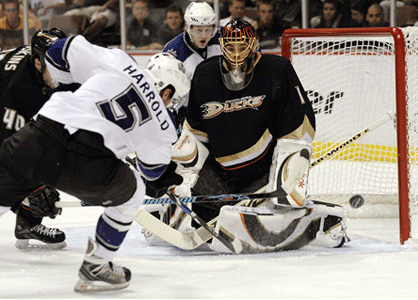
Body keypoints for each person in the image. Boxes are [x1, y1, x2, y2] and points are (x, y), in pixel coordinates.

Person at [143, 19, 349, 253]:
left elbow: (298, 126)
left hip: (262, 178)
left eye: (243, 46)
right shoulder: (205, 73)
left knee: (284, 204)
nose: (237, 54)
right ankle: (186, 213)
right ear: (221, 46)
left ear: (254, 44)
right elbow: (196, 134)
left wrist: (288, 179)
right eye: (231, 47)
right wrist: (179, 177)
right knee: (189, 189)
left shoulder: (277, 71)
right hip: (221, 177)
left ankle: (315, 219)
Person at [0, 34, 187, 291]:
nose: (172, 106)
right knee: (135, 191)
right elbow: (152, 171)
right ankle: (97, 264)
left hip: (42, 131)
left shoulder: (121, 61)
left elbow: (58, 51)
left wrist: (66, 81)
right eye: (174, 100)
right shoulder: (164, 126)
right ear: (167, 91)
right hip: (87, 162)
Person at [0, 28, 70, 249]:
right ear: (38, 64)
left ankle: (27, 222)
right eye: (55, 69)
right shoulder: (20, 90)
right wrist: (35, 190)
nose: (62, 75)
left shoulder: (51, 66)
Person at [163, 1, 221, 89]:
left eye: (208, 30)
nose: (204, 36)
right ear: (188, 27)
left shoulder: (223, 38)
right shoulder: (173, 50)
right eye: (199, 30)